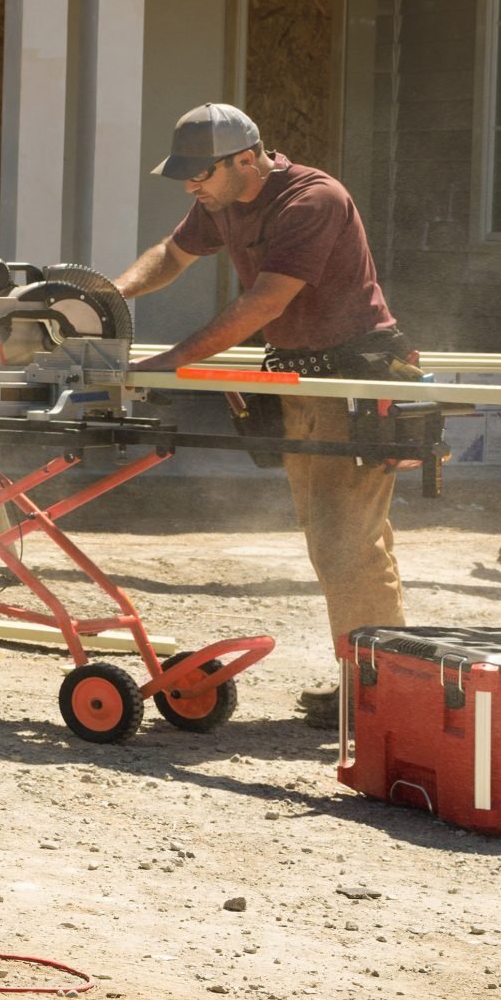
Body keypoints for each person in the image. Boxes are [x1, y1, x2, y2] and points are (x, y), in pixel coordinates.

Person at [110, 103, 418, 713]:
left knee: (345, 540)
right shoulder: (222, 199)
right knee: (338, 535)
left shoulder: (312, 200)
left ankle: (378, 692)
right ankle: (375, 678)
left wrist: (172, 362)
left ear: (245, 159)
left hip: (353, 377)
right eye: (187, 177)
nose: (193, 187)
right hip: (305, 375)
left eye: (201, 175)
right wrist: (108, 293)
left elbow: (265, 303)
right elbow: (171, 255)